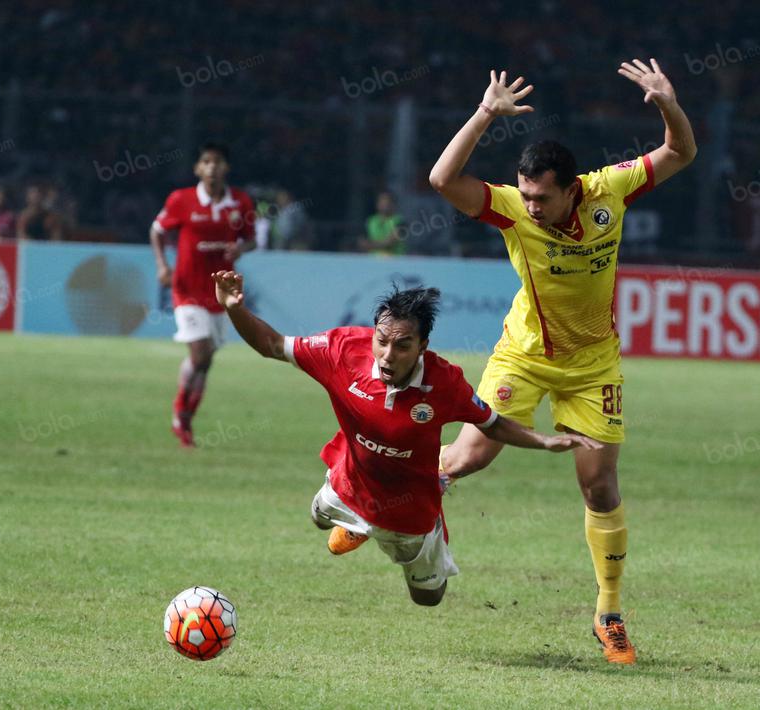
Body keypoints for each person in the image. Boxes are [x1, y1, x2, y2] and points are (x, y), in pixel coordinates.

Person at [428, 60, 697, 664]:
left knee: (599, 486)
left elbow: (681, 151)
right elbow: (443, 180)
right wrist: (483, 116)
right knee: (470, 456)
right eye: (525, 195)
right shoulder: (512, 209)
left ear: (573, 187)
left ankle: (609, 612)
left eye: (542, 196)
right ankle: (375, 501)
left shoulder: (613, 189)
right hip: (523, 355)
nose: (531, 206)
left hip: (593, 364)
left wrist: (666, 104)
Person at [212, 271, 599, 606]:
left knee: (429, 598)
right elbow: (273, 345)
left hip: (410, 515)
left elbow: (491, 423)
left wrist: (545, 442)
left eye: (402, 345)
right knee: (317, 518)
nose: (387, 354)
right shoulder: (341, 349)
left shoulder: (445, 383)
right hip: (347, 489)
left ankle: (435, 489)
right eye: (382, 340)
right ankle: (355, 524)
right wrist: (233, 308)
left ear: (422, 348)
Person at [149, 142, 256, 447]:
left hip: (221, 292)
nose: (212, 167)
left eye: (218, 161)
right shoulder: (181, 199)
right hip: (187, 289)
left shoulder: (241, 203)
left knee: (206, 360)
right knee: (201, 352)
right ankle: (179, 410)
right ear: (198, 168)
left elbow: (250, 240)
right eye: (206, 161)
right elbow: (157, 230)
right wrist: (161, 265)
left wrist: (240, 247)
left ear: (226, 168)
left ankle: (186, 420)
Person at [359, 190, 405, 256]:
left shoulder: (400, 221)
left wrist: (370, 245)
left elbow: (390, 243)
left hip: (395, 262)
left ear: (393, 204)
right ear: (377, 204)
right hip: (373, 262)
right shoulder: (370, 221)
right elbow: (362, 242)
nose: (385, 204)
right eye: (382, 202)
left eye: (388, 202)